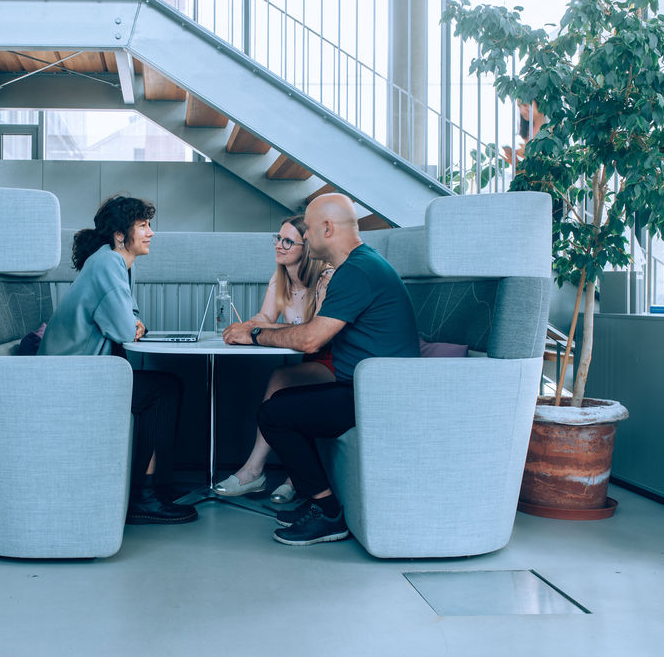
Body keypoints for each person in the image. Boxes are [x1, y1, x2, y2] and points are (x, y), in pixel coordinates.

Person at [223, 193, 419, 545]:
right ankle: (314, 500)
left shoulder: (357, 271)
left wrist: (254, 335)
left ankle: (327, 513)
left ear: (327, 229)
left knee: (274, 415)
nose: (307, 237)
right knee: (282, 403)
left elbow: (311, 339)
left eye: (309, 230)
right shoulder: (359, 266)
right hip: (365, 386)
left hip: (378, 396)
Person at [39, 195, 198, 525]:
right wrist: (133, 324)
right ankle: (144, 496)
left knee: (166, 385)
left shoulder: (119, 263)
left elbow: (131, 316)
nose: (150, 232)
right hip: (68, 379)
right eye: (143, 226)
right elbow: (127, 327)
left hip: (83, 372)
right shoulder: (107, 263)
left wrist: (134, 324)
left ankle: (154, 487)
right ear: (120, 235)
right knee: (163, 390)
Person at [211, 215, 335, 504]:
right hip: (308, 362)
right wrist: (243, 328)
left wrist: (256, 330)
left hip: (333, 361)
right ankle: (291, 476)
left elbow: (315, 333)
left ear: (307, 248)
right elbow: (264, 318)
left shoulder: (325, 278)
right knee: (287, 390)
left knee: (281, 377)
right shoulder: (280, 278)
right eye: (278, 239)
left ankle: (254, 471)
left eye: (288, 241)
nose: (279, 245)